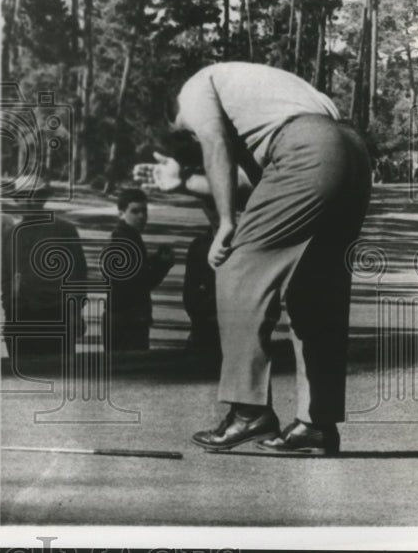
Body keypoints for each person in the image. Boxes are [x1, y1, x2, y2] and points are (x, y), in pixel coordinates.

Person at [143, 62, 371, 456]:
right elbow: (265, 183)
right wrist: (182, 183)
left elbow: (216, 147)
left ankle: (249, 412)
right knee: (315, 295)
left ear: (176, 110)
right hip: (350, 152)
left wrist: (228, 224)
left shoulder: (196, 89)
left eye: (188, 133)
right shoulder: (264, 98)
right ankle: (316, 425)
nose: (194, 137)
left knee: (236, 268)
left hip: (309, 153)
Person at [2, 177, 88, 363]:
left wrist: (74, 314)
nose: (29, 202)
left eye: (35, 196)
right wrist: (9, 306)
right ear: (17, 199)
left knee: (57, 378)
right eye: (23, 197)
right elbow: (5, 276)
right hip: (20, 319)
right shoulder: (11, 234)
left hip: (55, 317)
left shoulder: (64, 230)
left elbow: (77, 275)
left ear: (43, 198)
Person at [102, 188, 174, 353]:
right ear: (121, 213)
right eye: (135, 211)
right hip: (126, 320)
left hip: (124, 318)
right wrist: (162, 265)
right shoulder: (123, 241)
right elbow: (139, 283)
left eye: (144, 211)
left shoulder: (128, 236)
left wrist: (156, 260)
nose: (142, 216)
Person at [182, 197, 220, 356]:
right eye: (211, 206)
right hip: (204, 326)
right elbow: (189, 290)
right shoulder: (198, 246)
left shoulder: (247, 242)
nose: (216, 212)